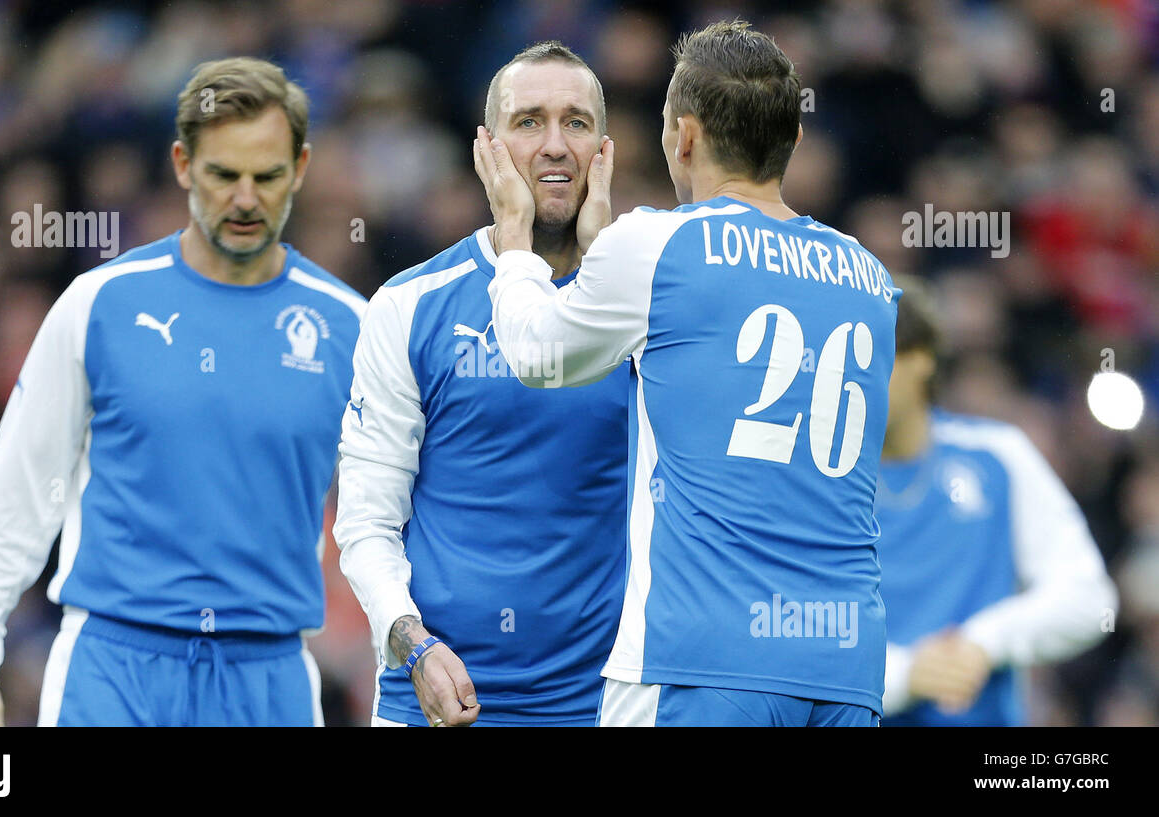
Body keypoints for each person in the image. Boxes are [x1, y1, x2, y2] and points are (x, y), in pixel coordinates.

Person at [477, 20, 897, 726]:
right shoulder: (870, 277)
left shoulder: (657, 243)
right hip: (847, 658)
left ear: (685, 137)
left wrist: (515, 239)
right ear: (793, 141)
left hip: (701, 656)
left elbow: (535, 354)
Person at [0, 57, 366, 726]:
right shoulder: (98, 305)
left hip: (269, 678)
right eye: (224, 174)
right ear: (182, 164)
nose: (246, 198)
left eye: (267, 175)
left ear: (301, 169)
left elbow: (409, 517)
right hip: (111, 672)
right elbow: (19, 489)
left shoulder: (352, 328)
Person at [334, 41, 627, 727]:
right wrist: (410, 642)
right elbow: (367, 521)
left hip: (605, 706)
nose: (555, 145)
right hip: (430, 699)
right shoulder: (410, 306)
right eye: (528, 122)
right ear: (486, 150)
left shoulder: (646, 309)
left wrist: (609, 263)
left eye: (576, 123)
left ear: (604, 151)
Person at [875, 278, 1117, 726]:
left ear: (922, 358)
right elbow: (778, 627)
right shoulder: (807, 477)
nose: (855, 374)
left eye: (874, 354)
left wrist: (980, 643)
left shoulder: (998, 456)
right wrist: (907, 676)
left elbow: (1089, 599)